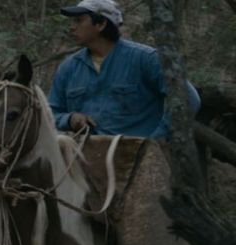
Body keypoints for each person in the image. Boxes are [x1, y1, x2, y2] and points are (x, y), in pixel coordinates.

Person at [48, 0, 200, 140]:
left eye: (79, 21)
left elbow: (189, 99)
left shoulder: (145, 59)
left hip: (141, 158)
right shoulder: (68, 68)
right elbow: (49, 114)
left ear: (100, 24)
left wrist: (156, 140)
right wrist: (69, 119)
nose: (72, 27)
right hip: (87, 157)